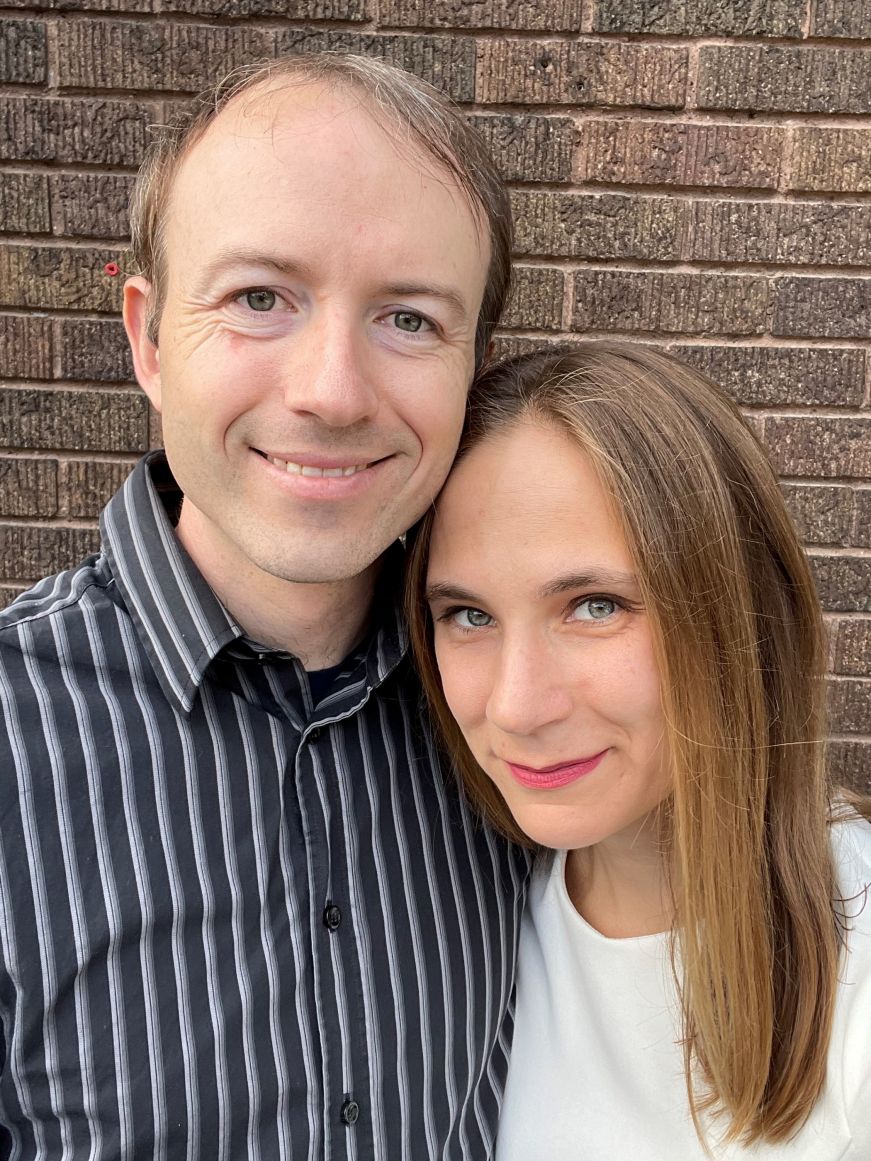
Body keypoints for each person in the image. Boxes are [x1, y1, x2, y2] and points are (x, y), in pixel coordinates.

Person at [0, 54, 529, 1159]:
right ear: (147, 338)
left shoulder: (519, 718)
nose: (331, 391)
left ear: (473, 360)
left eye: (409, 319)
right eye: (258, 298)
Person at [406, 341, 871, 1159]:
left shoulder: (855, 961)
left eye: (593, 605)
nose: (516, 707)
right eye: (468, 615)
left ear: (737, 616)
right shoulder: (459, 917)